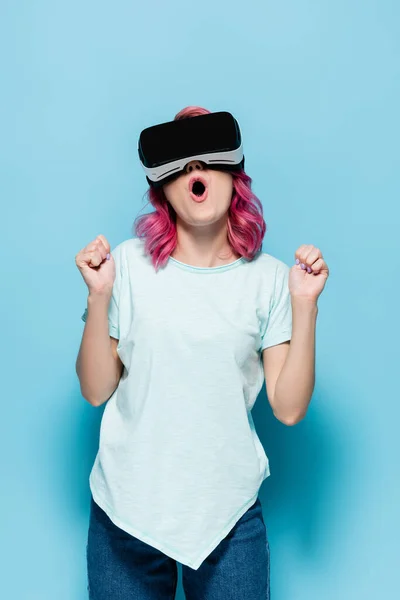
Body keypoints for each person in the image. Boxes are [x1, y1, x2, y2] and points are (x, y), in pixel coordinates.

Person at [75, 106, 329, 599]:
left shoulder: (272, 280)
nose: (195, 170)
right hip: (125, 511)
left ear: (234, 174)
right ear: (163, 189)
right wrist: (98, 294)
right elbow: (94, 389)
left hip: (227, 517)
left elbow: (290, 408)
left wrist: (305, 307)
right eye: (180, 163)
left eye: (208, 158)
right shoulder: (124, 266)